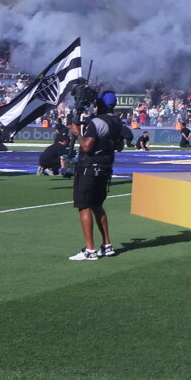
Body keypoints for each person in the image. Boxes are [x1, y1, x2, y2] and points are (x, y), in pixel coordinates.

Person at [68, 96, 124, 261]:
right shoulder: (116, 122)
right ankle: (107, 245)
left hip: (89, 169)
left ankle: (90, 250)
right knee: (97, 206)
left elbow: (86, 146)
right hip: (105, 168)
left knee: (84, 207)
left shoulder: (97, 122)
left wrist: (78, 133)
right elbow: (120, 146)